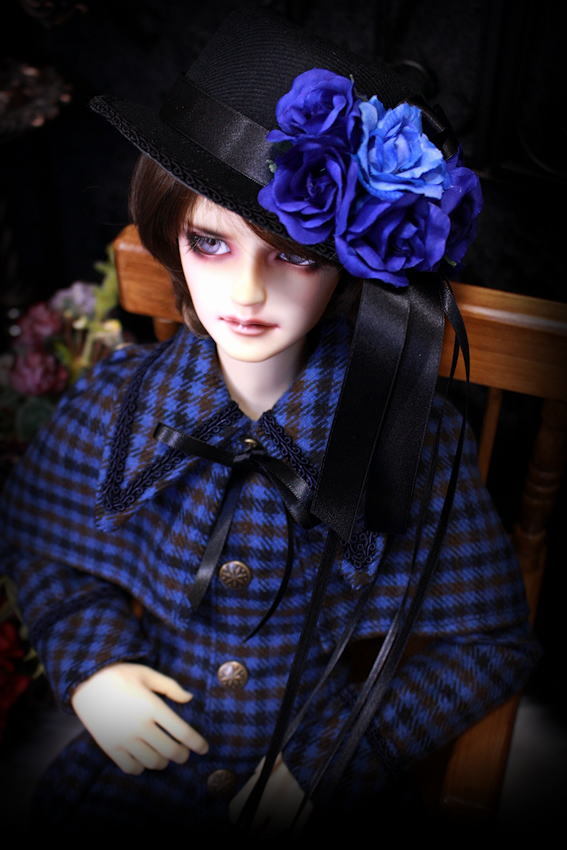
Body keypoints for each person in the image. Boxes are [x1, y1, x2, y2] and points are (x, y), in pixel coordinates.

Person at [0, 8, 539, 839]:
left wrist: (337, 755)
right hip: (144, 775)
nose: (247, 295)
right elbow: (38, 541)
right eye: (209, 244)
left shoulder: (408, 437)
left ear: (351, 264)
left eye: (293, 255)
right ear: (172, 238)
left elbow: (492, 642)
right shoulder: (117, 407)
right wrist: (93, 662)